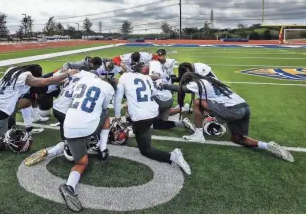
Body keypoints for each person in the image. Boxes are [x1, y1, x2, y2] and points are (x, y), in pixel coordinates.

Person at [160, 72, 294, 162]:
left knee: (196, 103)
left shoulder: (197, 83)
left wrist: (163, 85)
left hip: (232, 110)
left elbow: (181, 89)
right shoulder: (212, 82)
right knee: (237, 139)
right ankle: (267, 145)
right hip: (244, 107)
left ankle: (199, 135)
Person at [113, 62, 192, 175]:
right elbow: (154, 91)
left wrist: (116, 116)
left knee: (145, 150)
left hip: (141, 116)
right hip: (153, 111)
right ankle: (137, 130)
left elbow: (117, 99)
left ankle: (172, 156)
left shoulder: (124, 77)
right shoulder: (146, 78)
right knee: (143, 125)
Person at [58, 75, 116, 212]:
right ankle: (102, 149)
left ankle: (69, 186)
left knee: (81, 163)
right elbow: (103, 106)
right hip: (87, 127)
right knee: (105, 114)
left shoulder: (84, 79)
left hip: (69, 126)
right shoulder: (108, 88)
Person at [23, 67, 101, 166]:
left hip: (57, 109)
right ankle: (69, 148)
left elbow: (54, 83)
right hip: (69, 112)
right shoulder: (93, 80)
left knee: (66, 137)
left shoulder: (74, 75)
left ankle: (53, 151)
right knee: (86, 132)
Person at [147, 60, 195, 132]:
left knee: (147, 122)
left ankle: (183, 113)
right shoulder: (165, 72)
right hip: (168, 99)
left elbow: (156, 76)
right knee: (160, 123)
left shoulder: (153, 69)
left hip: (159, 99)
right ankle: (182, 122)